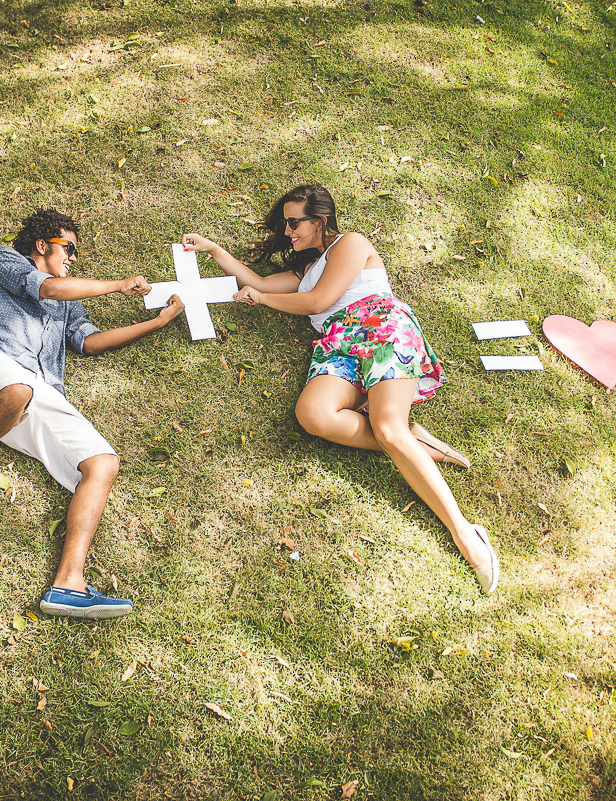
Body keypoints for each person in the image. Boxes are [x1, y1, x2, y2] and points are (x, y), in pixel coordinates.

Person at [182, 185, 498, 594]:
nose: (289, 231)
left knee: (387, 428)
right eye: (286, 224)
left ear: (321, 219)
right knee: (313, 415)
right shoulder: (303, 271)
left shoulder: (352, 243)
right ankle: (419, 443)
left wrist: (260, 299)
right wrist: (214, 251)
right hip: (338, 343)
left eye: (295, 222)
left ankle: (466, 534)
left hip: (380, 326)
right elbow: (257, 279)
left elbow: (318, 301)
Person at [0, 208, 185, 619]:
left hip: (39, 392)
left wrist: (159, 322)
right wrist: (116, 286)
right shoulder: (4, 260)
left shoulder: (69, 300)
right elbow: (47, 290)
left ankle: (68, 584)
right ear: (42, 245)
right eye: (68, 248)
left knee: (103, 463)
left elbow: (90, 342)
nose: (73, 258)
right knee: (15, 386)